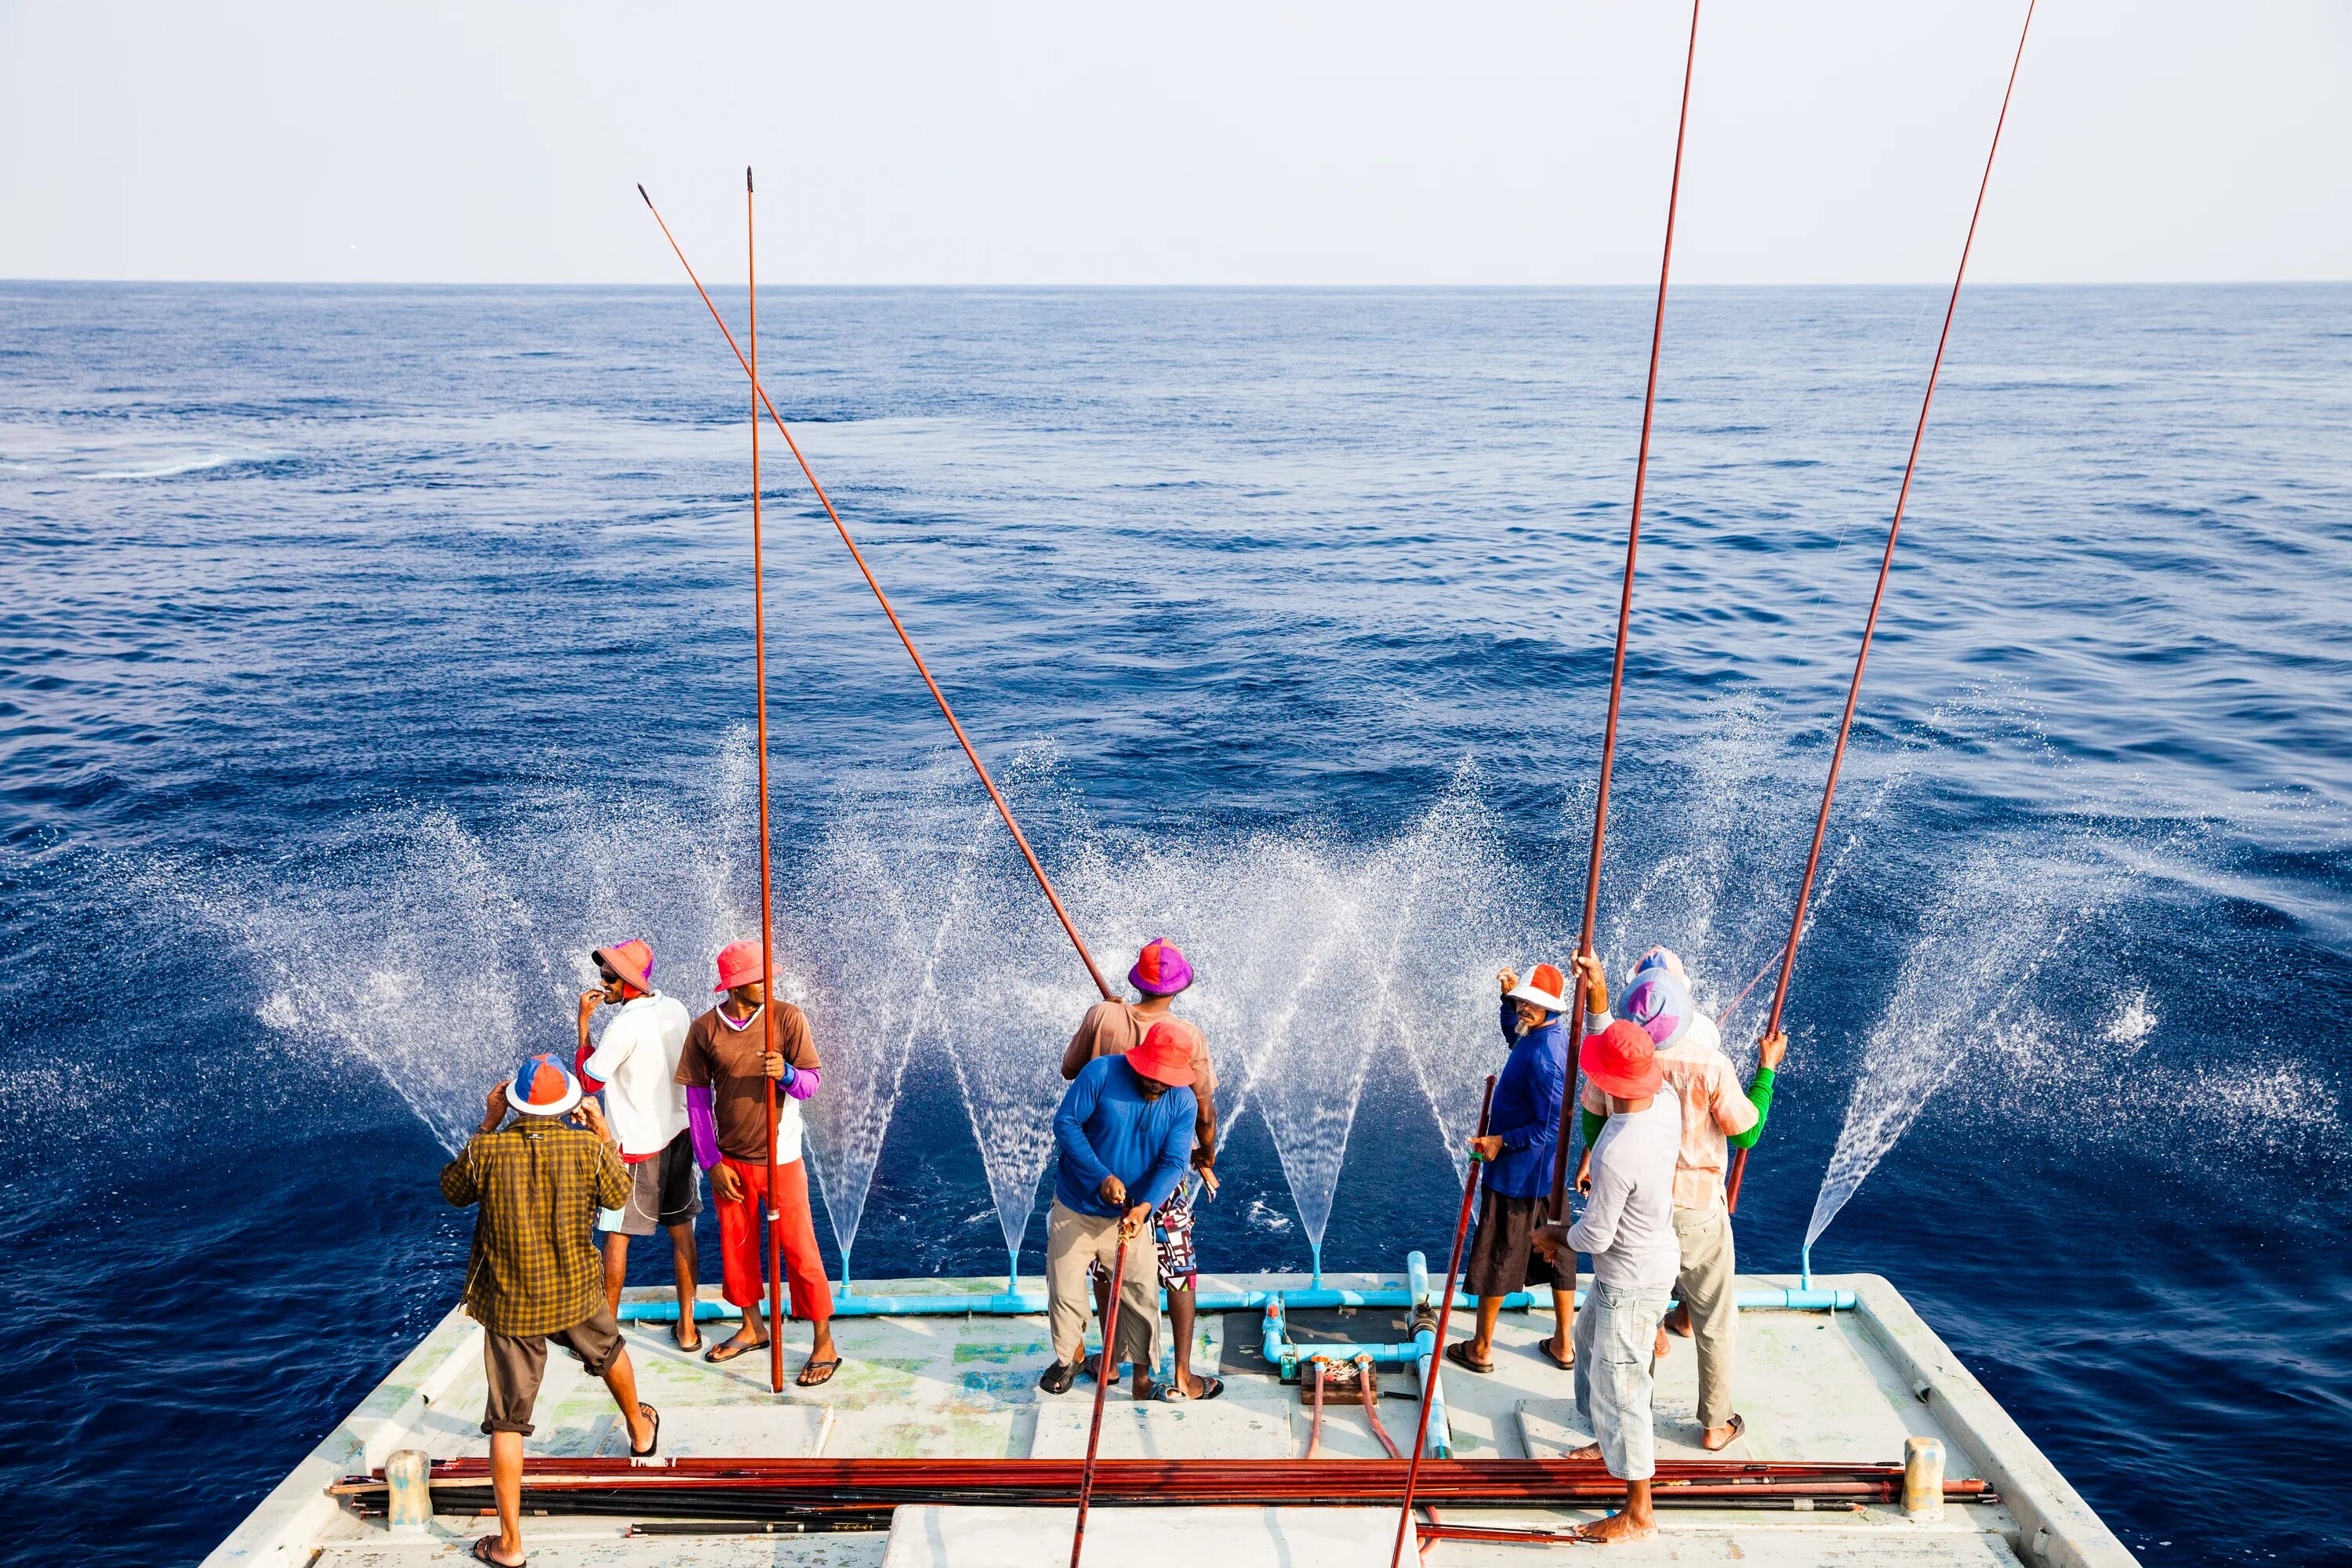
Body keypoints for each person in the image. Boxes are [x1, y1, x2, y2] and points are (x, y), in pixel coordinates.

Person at [441, 1051, 659, 1568]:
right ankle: (640, 1431)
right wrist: (603, 1132)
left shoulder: (486, 1151)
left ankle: (511, 1545)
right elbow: (618, 1194)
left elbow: (452, 1191)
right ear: (568, 1104)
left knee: (508, 1422)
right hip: (575, 1291)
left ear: (512, 1104)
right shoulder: (585, 1147)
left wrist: (487, 1124)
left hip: (510, 1301)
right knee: (609, 1352)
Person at [1572, 948, 1785, 1450]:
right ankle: (1714, 1423)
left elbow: (1594, 1123)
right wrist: (1766, 1071)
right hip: (1698, 1211)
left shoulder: (1621, 1058)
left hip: (1640, 1215)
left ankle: (1630, 1419)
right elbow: (1746, 1133)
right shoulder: (1711, 1064)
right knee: (1713, 1319)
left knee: (1635, 1320)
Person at [1530, 983, 1682, 1547]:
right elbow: (1616, 1049)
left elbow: (1595, 1234)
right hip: (1650, 1261)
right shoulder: (1663, 1105)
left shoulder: (1617, 1149)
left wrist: (1551, 1235)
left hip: (1630, 1278)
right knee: (1592, 1347)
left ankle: (1639, 1512)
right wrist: (1599, 1007)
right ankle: (1604, 1437)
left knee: (1623, 1386)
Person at [1061, 938, 1222, 1400]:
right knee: (1178, 1269)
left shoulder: (1103, 1016)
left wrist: (1108, 1025)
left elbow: (1070, 1070)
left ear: (1137, 979)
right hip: (1159, 1178)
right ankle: (1183, 1375)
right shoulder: (1186, 1035)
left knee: (1106, 1264)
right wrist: (1204, 1157)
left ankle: (1110, 1361)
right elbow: (1203, 1108)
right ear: (1179, 987)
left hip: (1100, 1169)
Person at [673, 938, 839, 1386]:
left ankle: (823, 1342)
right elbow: (696, 1103)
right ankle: (752, 1327)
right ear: (735, 986)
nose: (768, 983)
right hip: (730, 1163)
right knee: (737, 1249)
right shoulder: (704, 1029)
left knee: (801, 1250)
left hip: (781, 1159)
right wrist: (710, 1163)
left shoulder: (787, 1018)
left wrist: (785, 1073)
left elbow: (810, 1085)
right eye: (758, 978)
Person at [1037, 1022, 1198, 1399]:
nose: (1158, 1084)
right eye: (1152, 1075)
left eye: (1167, 1079)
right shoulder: (1101, 1072)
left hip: (1129, 1217)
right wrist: (1100, 1177)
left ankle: (1142, 1379)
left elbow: (1175, 1162)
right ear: (1139, 1060)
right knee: (1064, 1292)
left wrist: (1144, 1206)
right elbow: (1066, 1123)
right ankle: (1072, 1356)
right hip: (1075, 1206)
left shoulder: (1183, 1101)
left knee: (1142, 1296)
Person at [1445, 961, 1574, 1377]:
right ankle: (1563, 1344)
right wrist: (1507, 999)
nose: (1524, 1007)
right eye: (1523, 1000)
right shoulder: (1539, 1035)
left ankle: (1481, 1348)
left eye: (1531, 1003)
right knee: (1559, 1255)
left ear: (1552, 1009)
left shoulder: (1547, 1057)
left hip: (1520, 1177)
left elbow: (1552, 1124)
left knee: (1499, 1254)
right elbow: (1514, 1040)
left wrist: (1502, 1141)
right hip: (1544, 1176)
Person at [575, 939, 700, 1350]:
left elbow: (590, 1081)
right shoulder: (676, 1008)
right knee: (682, 1233)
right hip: (678, 1136)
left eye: (610, 978)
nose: (603, 984)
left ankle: (606, 1339)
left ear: (630, 982)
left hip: (634, 1149)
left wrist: (583, 1023)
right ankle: (687, 1328)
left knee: (616, 1237)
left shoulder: (623, 1025)